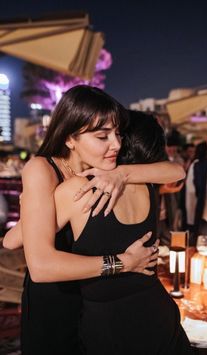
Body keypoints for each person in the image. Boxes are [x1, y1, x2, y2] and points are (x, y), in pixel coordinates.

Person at [3, 86, 185, 355]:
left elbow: (176, 171)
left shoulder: (101, 168)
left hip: (91, 295)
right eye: (103, 136)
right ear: (69, 139)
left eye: (118, 134)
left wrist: (122, 173)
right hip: (56, 294)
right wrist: (124, 262)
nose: (117, 144)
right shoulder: (42, 169)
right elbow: (29, 255)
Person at [53, 109, 192, 354]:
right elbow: (177, 170)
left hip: (109, 324)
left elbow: (19, 242)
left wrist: (33, 200)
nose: (112, 142)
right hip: (158, 313)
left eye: (115, 134)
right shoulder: (148, 184)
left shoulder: (76, 190)